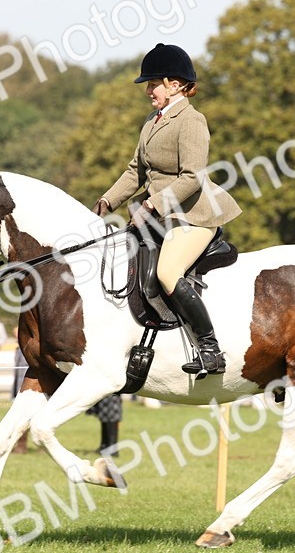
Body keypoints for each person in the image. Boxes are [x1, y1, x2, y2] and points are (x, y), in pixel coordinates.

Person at [95, 43, 241, 375]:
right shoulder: (152, 121)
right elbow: (136, 171)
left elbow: (193, 176)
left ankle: (210, 350)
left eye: (153, 84)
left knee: (167, 273)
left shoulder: (191, 120)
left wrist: (151, 203)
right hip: (159, 216)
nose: (148, 91)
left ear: (174, 85)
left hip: (194, 214)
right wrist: (107, 200)